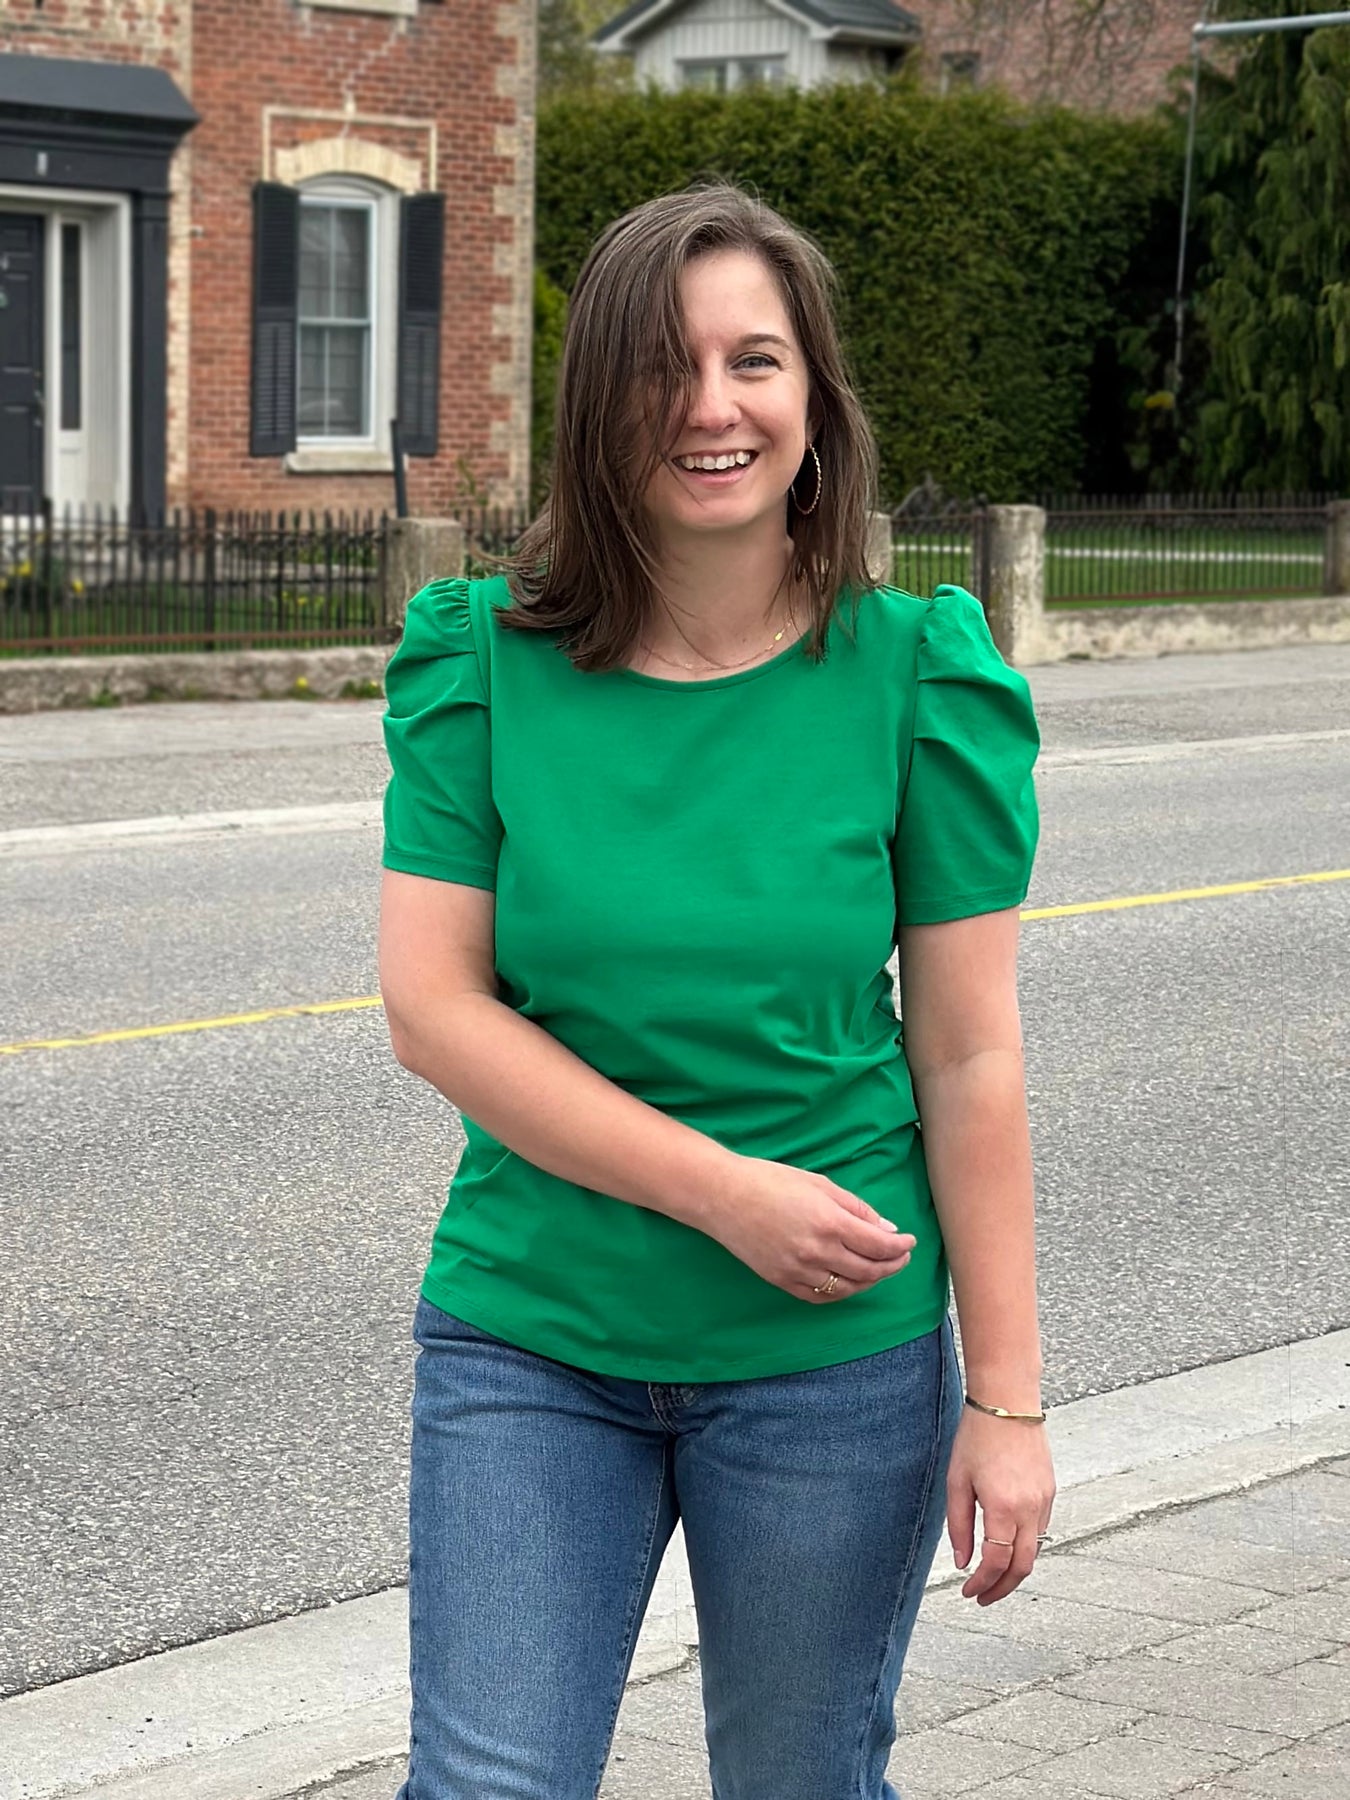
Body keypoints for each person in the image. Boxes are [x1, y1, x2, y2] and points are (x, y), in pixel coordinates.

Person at [377, 180, 1055, 1800]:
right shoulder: (481, 660)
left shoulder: (918, 675)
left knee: (799, 1778)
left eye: (754, 360)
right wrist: (724, 1194)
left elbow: (968, 1057)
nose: (709, 406)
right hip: (533, 1337)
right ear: (594, 405)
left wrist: (1009, 1401)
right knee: (486, 1785)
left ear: (813, 398)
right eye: (660, 366)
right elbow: (433, 1010)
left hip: (831, 1362)